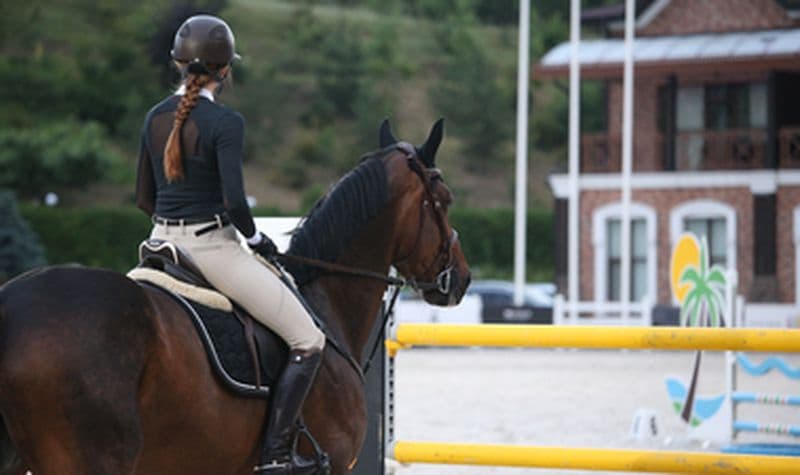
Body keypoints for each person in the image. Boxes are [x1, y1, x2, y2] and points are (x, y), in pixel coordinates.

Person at [135, 14, 325, 474]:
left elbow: (144, 197)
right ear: (225, 70)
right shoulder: (225, 122)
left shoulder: (154, 117)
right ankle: (277, 453)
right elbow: (235, 204)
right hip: (212, 249)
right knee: (309, 339)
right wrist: (259, 240)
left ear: (179, 65)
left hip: (158, 246)